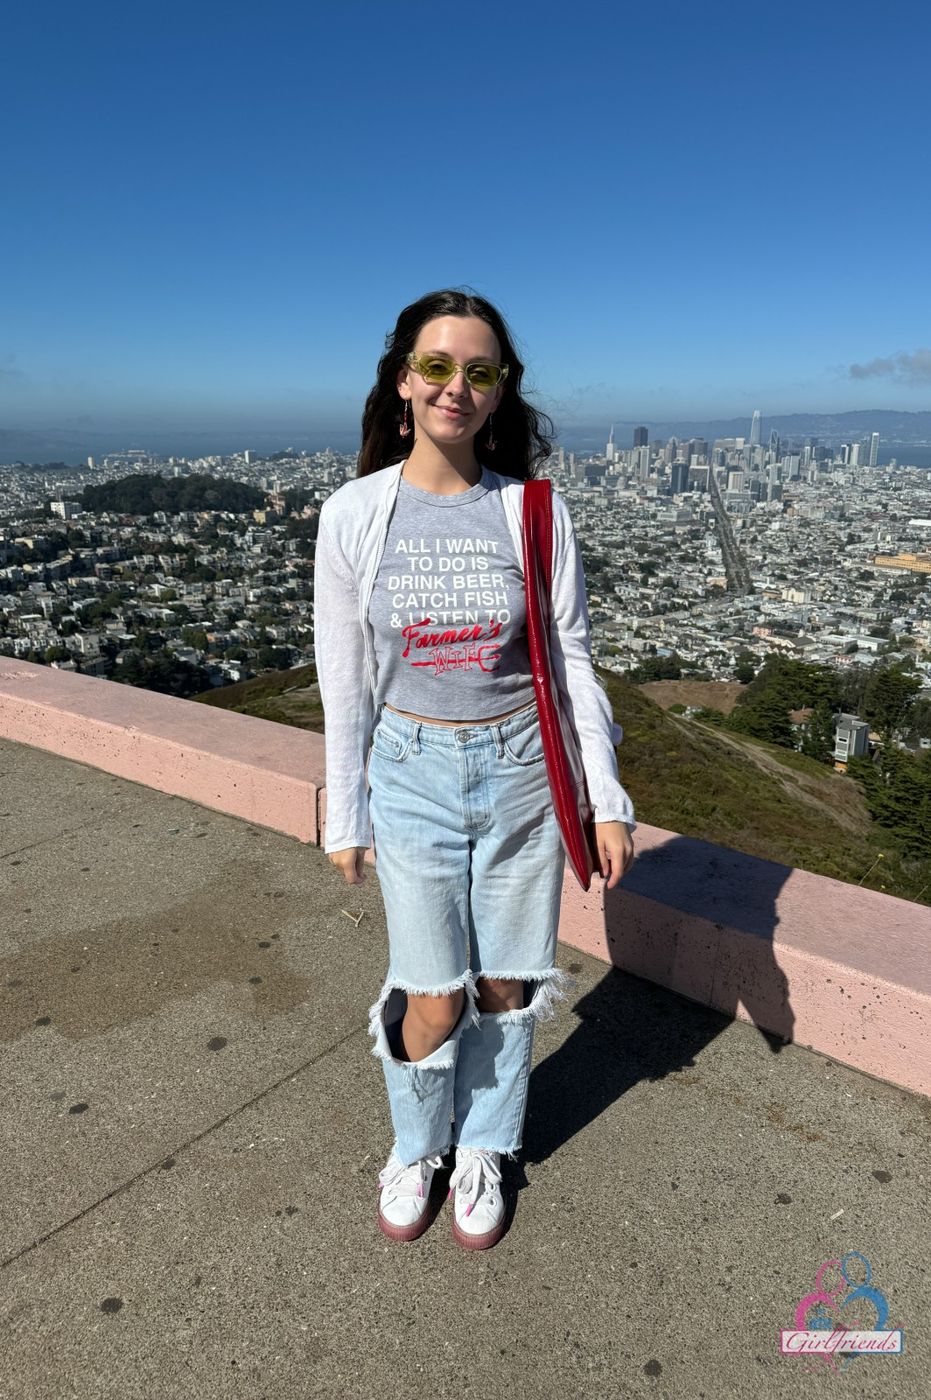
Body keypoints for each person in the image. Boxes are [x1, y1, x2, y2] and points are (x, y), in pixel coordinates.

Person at [313, 288, 636, 1250]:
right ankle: (418, 1144)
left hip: (522, 773)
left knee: (506, 983)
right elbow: (345, 679)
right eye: (437, 366)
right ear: (402, 381)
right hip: (408, 770)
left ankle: (486, 1145)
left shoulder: (532, 511)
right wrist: (345, 816)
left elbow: (570, 660)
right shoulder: (354, 514)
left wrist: (605, 798)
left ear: (499, 392)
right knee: (432, 989)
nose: (456, 386)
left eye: (479, 371)